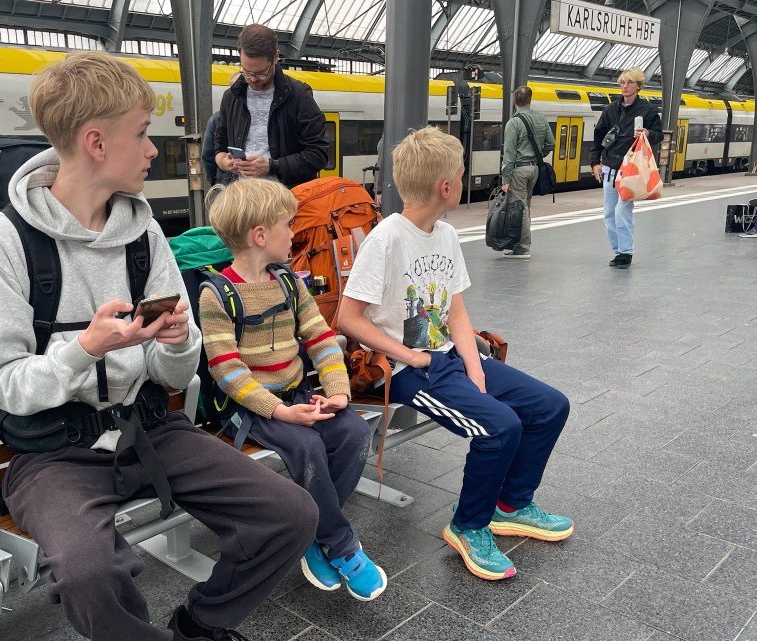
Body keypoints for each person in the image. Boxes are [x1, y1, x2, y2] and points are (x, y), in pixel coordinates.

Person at [0, 52, 317, 641]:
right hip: (53, 451)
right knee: (87, 571)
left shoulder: (145, 233)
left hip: (150, 426)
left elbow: (172, 372)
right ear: (96, 142)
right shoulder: (3, 241)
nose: (154, 149)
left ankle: (201, 629)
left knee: (290, 512)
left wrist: (178, 343)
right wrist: (84, 350)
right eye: (142, 133)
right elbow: (5, 385)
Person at [336, 126, 573, 582]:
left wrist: (475, 368)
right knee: (500, 426)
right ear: (446, 187)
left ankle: (511, 504)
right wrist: (412, 356)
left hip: (449, 357)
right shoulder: (386, 240)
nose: (465, 181)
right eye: (462, 175)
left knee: (550, 406)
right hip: (409, 370)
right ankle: (468, 525)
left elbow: (456, 310)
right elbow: (349, 318)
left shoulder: (444, 234)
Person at [191, 177, 385, 601]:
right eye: (288, 224)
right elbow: (227, 372)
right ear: (260, 235)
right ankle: (342, 545)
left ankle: (311, 534)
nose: (294, 233)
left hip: (296, 394)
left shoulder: (288, 281)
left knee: (354, 432)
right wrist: (279, 412)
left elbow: (320, 337)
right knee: (307, 446)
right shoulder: (217, 294)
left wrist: (338, 391)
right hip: (249, 407)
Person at [213, 24, 328, 188]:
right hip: (244, 195)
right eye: (246, 72)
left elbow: (319, 154)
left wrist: (272, 166)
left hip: (287, 197)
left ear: (275, 57)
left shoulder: (299, 95)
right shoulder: (231, 96)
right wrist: (225, 162)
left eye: (260, 73)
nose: (253, 79)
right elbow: (219, 146)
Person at [589, 68, 662, 269]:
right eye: (622, 82)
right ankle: (618, 250)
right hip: (610, 168)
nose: (625, 86)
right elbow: (598, 138)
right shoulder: (610, 110)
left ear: (639, 85)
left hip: (631, 169)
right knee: (609, 213)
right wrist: (595, 162)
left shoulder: (648, 111)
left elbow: (659, 135)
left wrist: (648, 133)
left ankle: (625, 252)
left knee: (622, 210)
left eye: (629, 82)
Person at [499, 85, 554, 259]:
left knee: (520, 208)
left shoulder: (513, 123)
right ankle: (520, 244)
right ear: (530, 100)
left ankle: (522, 248)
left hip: (519, 171)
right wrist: (539, 155)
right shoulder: (541, 118)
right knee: (525, 207)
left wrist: (505, 178)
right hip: (534, 169)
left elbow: (509, 153)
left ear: (514, 101)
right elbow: (551, 143)